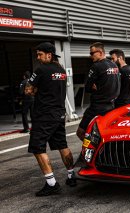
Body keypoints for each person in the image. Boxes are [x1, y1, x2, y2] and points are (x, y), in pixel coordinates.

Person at [25, 42, 77, 196]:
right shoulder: (61, 70)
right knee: (62, 144)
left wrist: (34, 90)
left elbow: (28, 89)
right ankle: (71, 175)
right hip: (59, 114)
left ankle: (51, 183)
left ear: (49, 54)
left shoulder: (41, 69)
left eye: (40, 54)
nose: (38, 57)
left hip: (44, 115)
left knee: (37, 147)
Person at [76, 42, 120, 141]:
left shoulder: (96, 66)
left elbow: (87, 88)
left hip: (97, 107)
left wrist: (94, 87)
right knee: (104, 133)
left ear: (100, 52)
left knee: (80, 132)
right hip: (112, 106)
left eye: (92, 53)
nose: (90, 56)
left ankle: (92, 153)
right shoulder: (114, 65)